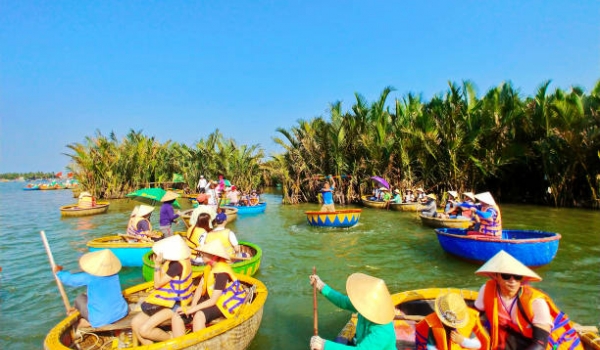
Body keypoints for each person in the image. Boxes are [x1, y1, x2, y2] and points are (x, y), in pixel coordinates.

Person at [474, 250, 584, 350]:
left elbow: (540, 344)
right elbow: (475, 314)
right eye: (506, 276)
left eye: (517, 277)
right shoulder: (487, 289)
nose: (512, 281)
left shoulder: (536, 302)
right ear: (496, 276)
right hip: (512, 339)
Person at [173, 240, 248, 335]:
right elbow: (200, 288)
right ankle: (181, 344)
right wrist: (193, 304)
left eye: (205, 253)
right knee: (177, 315)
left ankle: (201, 344)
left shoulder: (221, 272)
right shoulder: (209, 267)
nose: (202, 254)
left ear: (214, 256)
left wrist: (193, 309)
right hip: (210, 298)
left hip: (222, 302)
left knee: (198, 316)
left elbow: (214, 300)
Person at [131, 235, 194, 345]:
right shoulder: (174, 262)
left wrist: (157, 265)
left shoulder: (177, 265)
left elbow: (157, 284)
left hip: (176, 305)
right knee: (135, 323)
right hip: (167, 301)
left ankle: (171, 339)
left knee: (144, 330)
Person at [308, 272, 396, 350]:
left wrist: (324, 345)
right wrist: (321, 286)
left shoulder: (383, 332)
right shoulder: (365, 307)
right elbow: (343, 301)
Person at [54, 249, 128, 328]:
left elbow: (69, 279)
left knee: (80, 299)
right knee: (89, 296)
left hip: (101, 320)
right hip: (122, 312)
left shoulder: (90, 277)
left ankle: (84, 321)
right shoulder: (114, 274)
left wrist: (59, 272)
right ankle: (81, 314)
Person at [415, 292, 489, 349]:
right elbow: (430, 346)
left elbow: (478, 344)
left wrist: (463, 341)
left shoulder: (467, 323)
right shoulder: (433, 324)